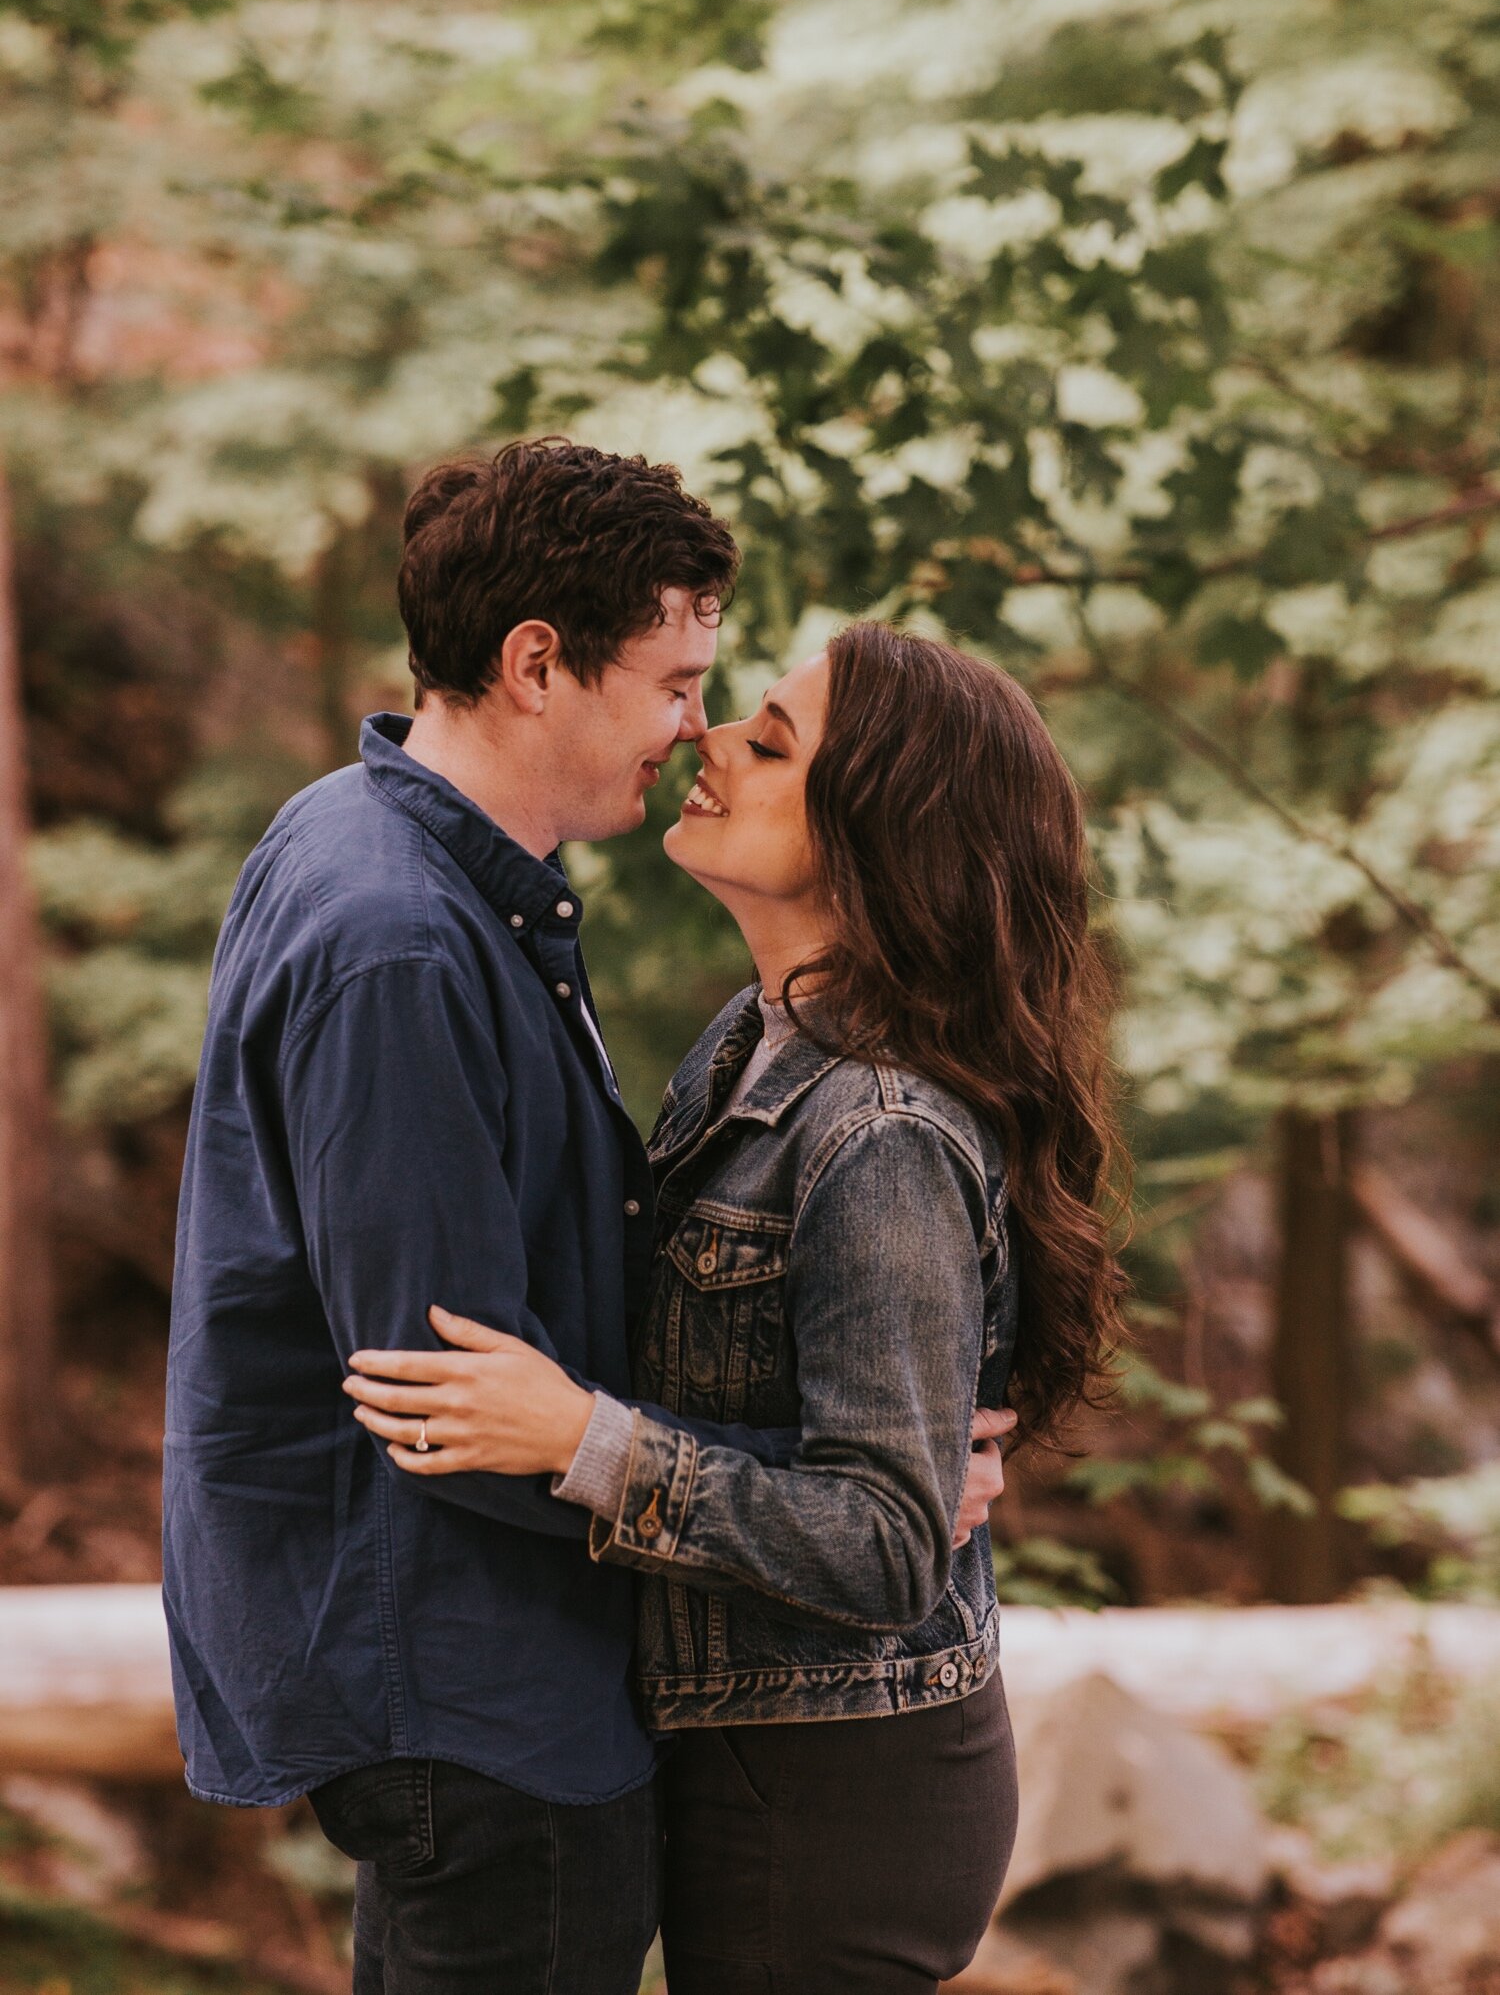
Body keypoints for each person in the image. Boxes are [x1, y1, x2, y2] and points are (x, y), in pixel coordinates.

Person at [163, 440, 1009, 1995]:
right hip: (481, 1688)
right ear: (538, 662)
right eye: (681, 681)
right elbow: (462, 1405)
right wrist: (860, 1492)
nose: (696, 726)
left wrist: (878, 1466)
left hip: (532, 1691)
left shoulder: (398, 861)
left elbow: (553, 1361)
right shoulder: (403, 937)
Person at [344, 618, 1126, 1995]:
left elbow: (885, 1542)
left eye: (768, 740)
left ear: (879, 829)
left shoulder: (878, 1131)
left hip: (839, 1786)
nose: (706, 738)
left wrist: (583, 1440)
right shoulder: (750, 1046)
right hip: (762, 1741)